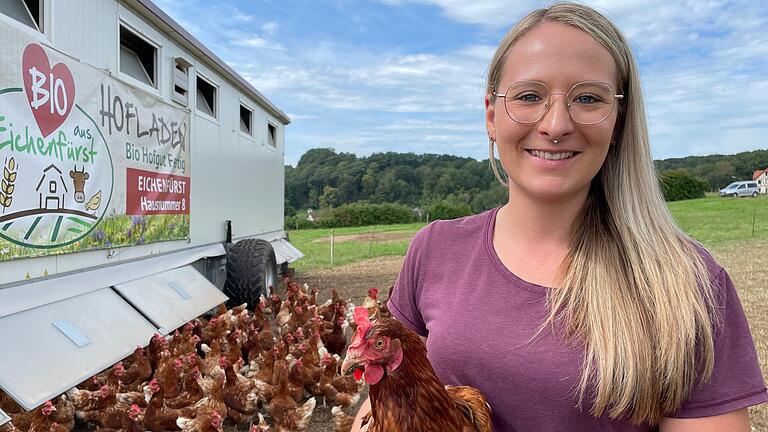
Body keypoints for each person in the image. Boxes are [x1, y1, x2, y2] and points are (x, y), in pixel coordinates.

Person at [350, 2, 767, 431]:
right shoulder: (435, 248)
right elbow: (386, 402)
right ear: (491, 116)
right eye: (529, 96)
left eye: (588, 98)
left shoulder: (686, 283)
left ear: (618, 122)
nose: (555, 124)